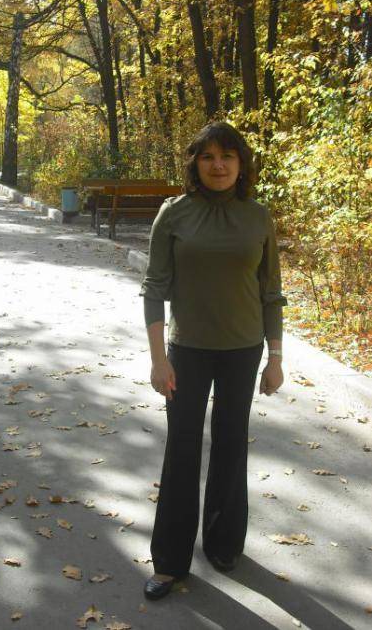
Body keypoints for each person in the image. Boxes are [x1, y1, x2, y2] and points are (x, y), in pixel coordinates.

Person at [140, 121, 288, 601]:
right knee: (182, 448)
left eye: (227, 156)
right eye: (208, 156)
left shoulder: (258, 217)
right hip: (187, 351)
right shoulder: (174, 213)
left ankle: (224, 544)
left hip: (243, 350)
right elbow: (154, 288)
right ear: (195, 164)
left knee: (230, 443)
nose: (218, 165)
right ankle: (169, 562)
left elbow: (271, 292)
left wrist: (275, 357)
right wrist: (158, 360)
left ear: (241, 163)